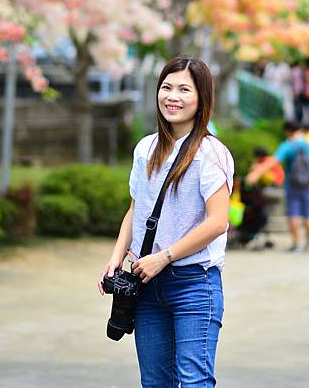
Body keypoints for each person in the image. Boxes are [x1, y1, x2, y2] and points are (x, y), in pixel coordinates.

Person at [98, 55, 234, 387]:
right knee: (155, 382)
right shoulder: (146, 148)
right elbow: (136, 210)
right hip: (146, 286)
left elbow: (218, 222)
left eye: (184, 89)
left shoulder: (211, 153)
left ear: (202, 98)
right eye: (166, 87)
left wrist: (164, 257)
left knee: (193, 381)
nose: (172, 96)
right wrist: (116, 259)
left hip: (194, 285)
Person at [246, 121, 309, 252]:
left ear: (288, 131)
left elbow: (273, 161)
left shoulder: (287, 146)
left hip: (292, 184)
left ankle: (297, 245)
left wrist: (256, 173)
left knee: (294, 214)